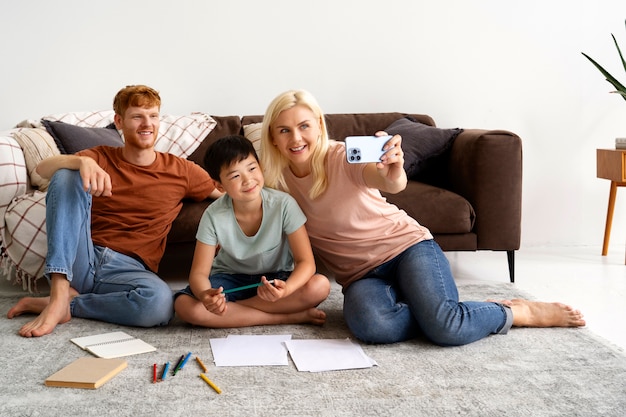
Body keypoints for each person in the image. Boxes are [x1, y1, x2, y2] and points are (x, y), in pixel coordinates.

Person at [259, 89, 586, 346]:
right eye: (284, 130)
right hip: (362, 276)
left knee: (447, 329)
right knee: (371, 326)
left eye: (304, 126)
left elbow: (389, 182)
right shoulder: (275, 181)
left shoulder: (343, 156)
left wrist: (394, 168)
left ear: (318, 124)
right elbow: (240, 199)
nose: (296, 138)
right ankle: (439, 311)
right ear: (273, 137)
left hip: (407, 249)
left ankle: (515, 311)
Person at [7, 85, 222, 337]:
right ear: (119, 121)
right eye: (137, 116)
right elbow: (42, 170)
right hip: (82, 257)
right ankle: (58, 292)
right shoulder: (100, 157)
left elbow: (228, 197)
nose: (147, 124)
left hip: (130, 270)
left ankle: (70, 305)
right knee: (66, 175)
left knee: (161, 304)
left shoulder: (181, 170)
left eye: (153, 116)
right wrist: (81, 161)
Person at [174, 135, 330, 328]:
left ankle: (236, 311)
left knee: (320, 285)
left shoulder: (284, 204)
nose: (248, 180)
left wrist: (286, 290)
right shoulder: (213, 215)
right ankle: (288, 317)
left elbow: (306, 262)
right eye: (235, 176)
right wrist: (207, 296)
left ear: (261, 167)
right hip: (230, 280)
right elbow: (198, 274)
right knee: (184, 306)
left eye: (252, 168)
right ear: (219, 186)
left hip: (277, 278)